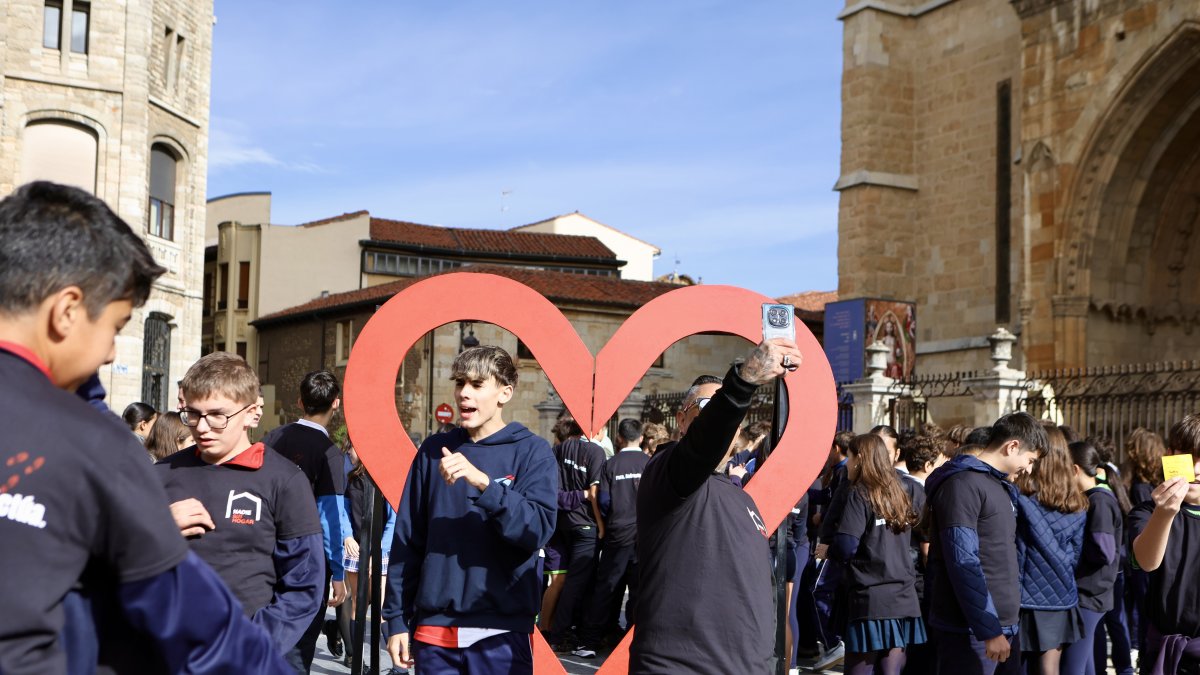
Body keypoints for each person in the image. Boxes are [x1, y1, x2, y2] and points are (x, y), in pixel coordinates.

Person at [0, 181, 291, 673]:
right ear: (67, 310)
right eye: (114, 326)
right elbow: (197, 623)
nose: (111, 352)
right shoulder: (89, 444)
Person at [631, 337, 802, 674]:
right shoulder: (667, 475)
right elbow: (702, 444)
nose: (724, 422)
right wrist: (743, 382)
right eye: (710, 407)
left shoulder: (742, 498)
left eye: (731, 416)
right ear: (682, 420)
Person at [382, 345, 557, 674]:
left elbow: (536, 530)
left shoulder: (533, 452)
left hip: (501, 632)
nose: (464, 393)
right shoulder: (434, 450)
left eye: (477, 385)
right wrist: (395, 619)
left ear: (505, 393)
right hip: (434, 631)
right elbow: (408, 538)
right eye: (460, 382)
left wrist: (485, 485)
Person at [156, 352, 326, 655]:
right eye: (193, 414)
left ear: (250, 413)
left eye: (217, 415)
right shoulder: (160, 475)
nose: (202, 427)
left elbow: (304, 584)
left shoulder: (284, 480)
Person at [924, 411, 1045, 675]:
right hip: (970, 630)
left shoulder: (1000, 487)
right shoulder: (963, 485)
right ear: (1012, 446)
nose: (1029, 468)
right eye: (1030, 459)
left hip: (1002, 625)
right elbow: (963, 561)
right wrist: (989, 629)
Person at [263, 370, 351, 672]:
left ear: (300, 402)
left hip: (266, 550)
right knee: (299, 651)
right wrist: (337, 572)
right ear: (336, 403)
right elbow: (331, 517)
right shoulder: (329, 454)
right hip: (307, 561)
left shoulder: (271, 439)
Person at [823, 434, 925, 675]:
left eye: (849, 457)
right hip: (903, 594)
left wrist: (830, 550)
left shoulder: (859, 493)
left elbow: (847, 544)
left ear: (860, 459)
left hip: (870, 596)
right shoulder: (902, 490)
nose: (846, 463)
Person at [1011, 424, 1087, 675]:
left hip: (1025, 595)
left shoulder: (1020, 497)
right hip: (1061, 594)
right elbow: (1075, 555)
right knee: (1049, 669)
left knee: (1016, 666)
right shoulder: (1077, 503)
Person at [1130, 414, 1200, 675]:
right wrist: (1165, 513)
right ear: (1170, 455)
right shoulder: (1146, 512)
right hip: (1164, 654)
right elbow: (1147, 561)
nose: (1196, 469)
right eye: (1189, 457)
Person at [577, 418, 649, 655]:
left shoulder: (612, 465)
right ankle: (632, 640)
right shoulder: (649, 463)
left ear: (618, 438)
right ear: (641, 438)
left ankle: (590, 641)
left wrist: (609, 520)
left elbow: (604, 501)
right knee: (639, 591)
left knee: (607, 588)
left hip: (617, 535)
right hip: (642, 538)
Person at [1062, 440, 1130, 675]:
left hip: (1090, 593)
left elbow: (1103, 551)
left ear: (1074, 470)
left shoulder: (1099, 501)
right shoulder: (1097, 498)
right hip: (1092, 593)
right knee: (1086, 662)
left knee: (1073, 666)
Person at [1124, 427, 1165, 651]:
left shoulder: (1139, 487)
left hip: (1142, 555)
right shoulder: (1159, 484)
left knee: (1142, 606)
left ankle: (1139, 647)